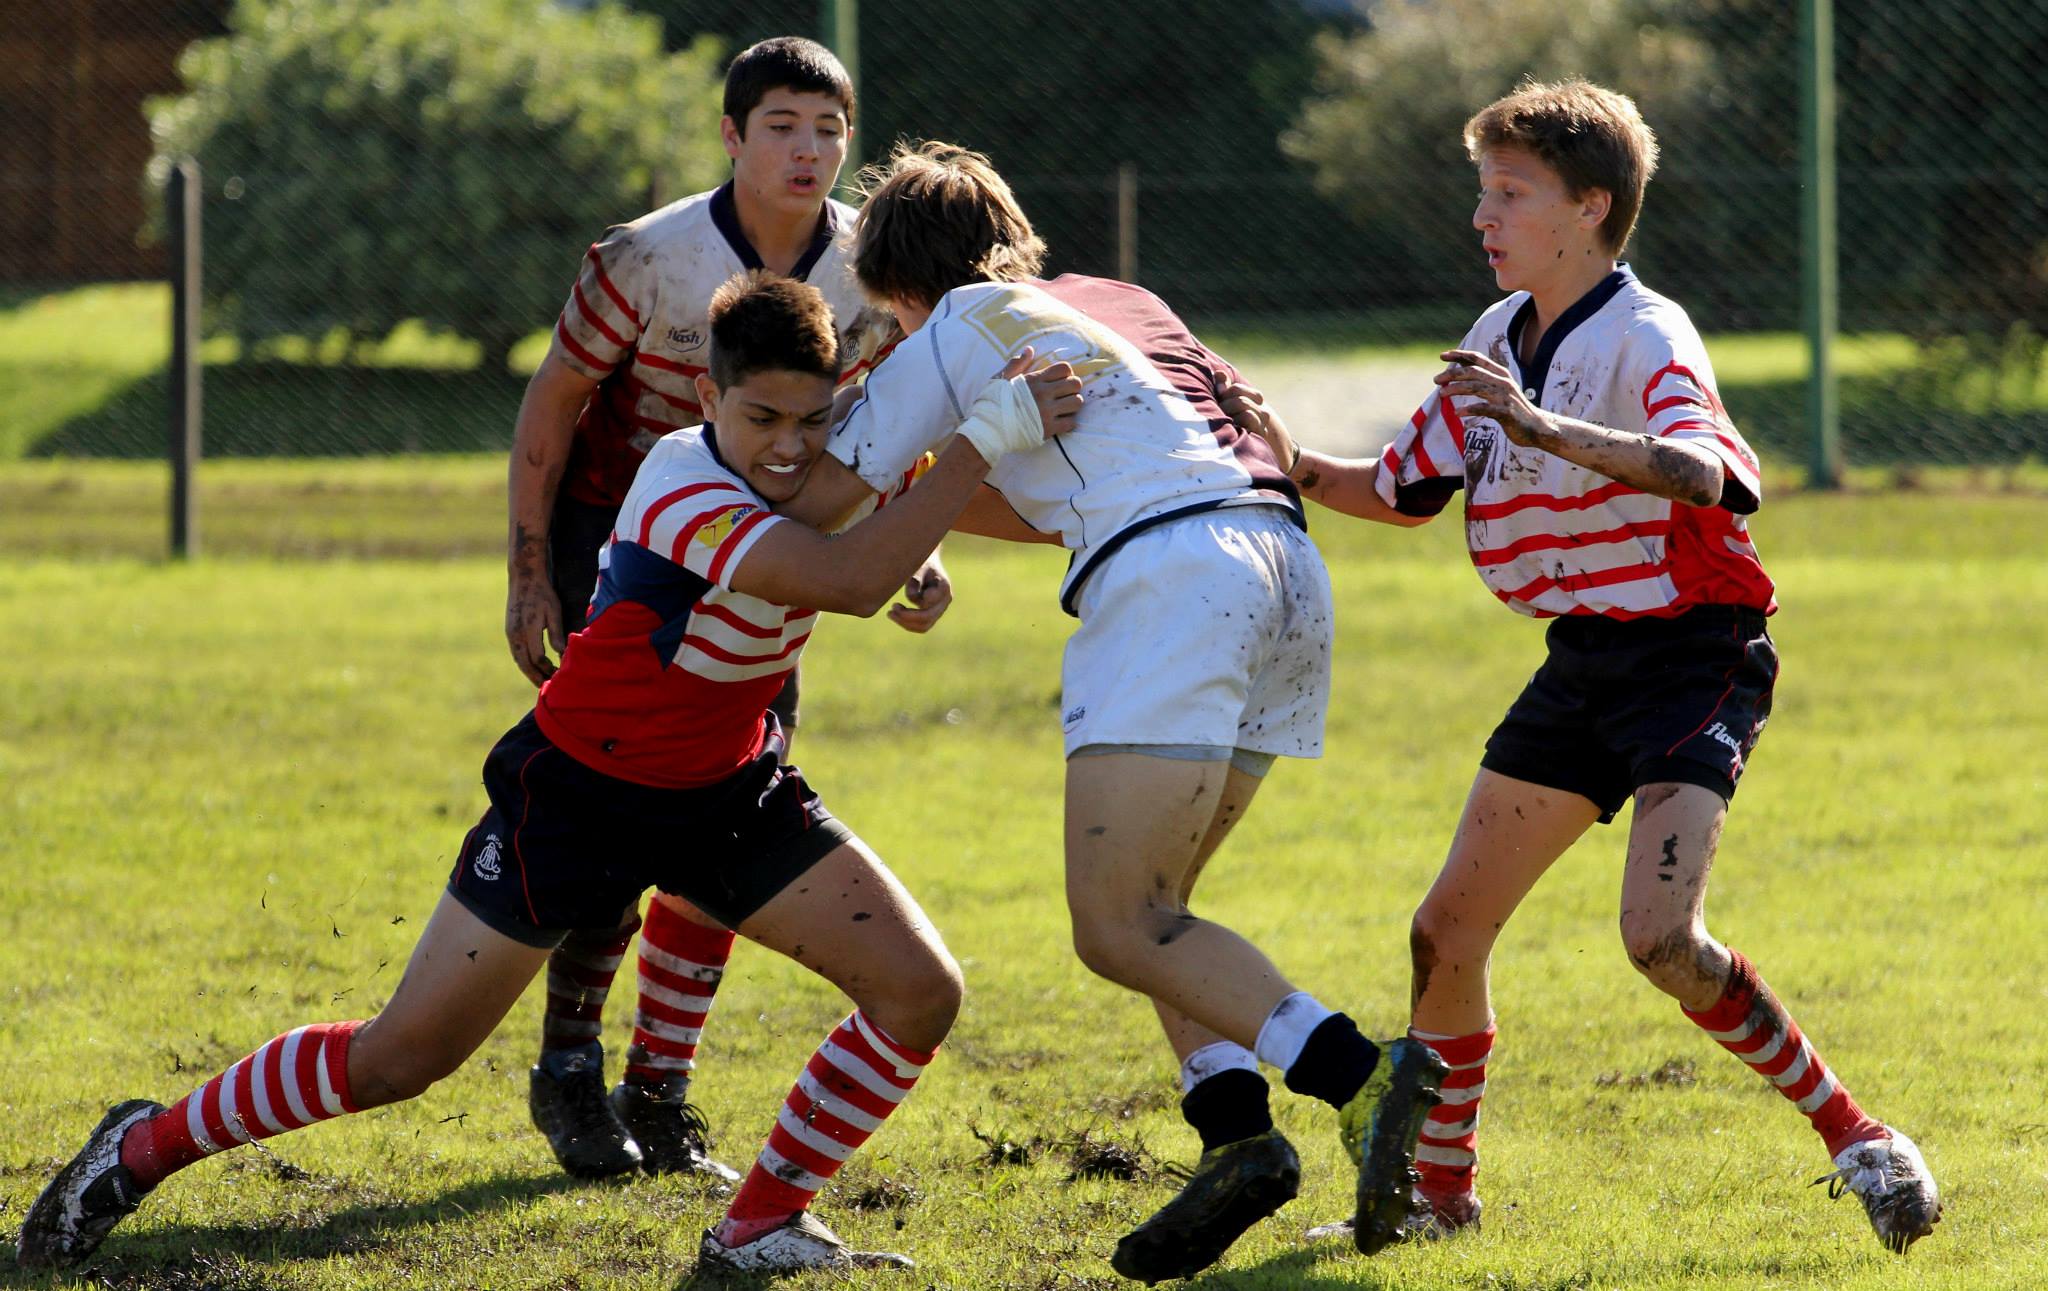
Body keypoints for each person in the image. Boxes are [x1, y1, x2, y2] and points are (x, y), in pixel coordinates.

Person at [18, 272, 1082, 1277]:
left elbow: (851, 502)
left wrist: (921, 537)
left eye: (812, 423)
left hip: (727, 791)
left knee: (919, 994)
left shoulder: (813, 453)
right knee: (402, 1058)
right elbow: (844, 577)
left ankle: (759, 1223)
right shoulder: (675, 480)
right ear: (707, 395)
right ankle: (142, 1146)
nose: (790, 447)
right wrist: (982, 441)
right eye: (761, 420)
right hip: (576, 795)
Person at [1242, 79, 1941, 1254]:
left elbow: (1710, 472)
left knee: (1659, 940)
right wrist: (1278, 453)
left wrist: (1546, 430)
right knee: (1443, 933)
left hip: (1691, 654)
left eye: (1506, 194)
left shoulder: (1640, 332)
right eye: (1481, 192)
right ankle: (1445, 1198)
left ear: (1588, 207)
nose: (1481, 216)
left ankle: (1859, 1139)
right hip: (1581, 664)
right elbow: (1403, 490)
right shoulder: (1490, 341)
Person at [774, 140, 1451, 1281]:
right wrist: (933, 490)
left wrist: (830, 416)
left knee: (1115, 925)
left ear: (894, 283)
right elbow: (1115, 469)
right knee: (1164, 913)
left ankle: (1360, 1075)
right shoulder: (1118, 302)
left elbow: (824, 494)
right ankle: (1236, 1141)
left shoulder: (953, 324)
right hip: (1280, 563)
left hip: (1172, 579)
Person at [503, 36, 945, 1183]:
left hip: (778, 553)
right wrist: (529, 569)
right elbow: (555, 399)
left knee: (730, 804)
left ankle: (659, 1085)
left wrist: (904, 546)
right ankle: (569, 1066)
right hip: (630, 546)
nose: (809, 150)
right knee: (617, 810)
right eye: (784, 124)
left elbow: (879, 433)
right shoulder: (645, 256)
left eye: (830, 129)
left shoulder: (871, 264)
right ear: (732, 135)